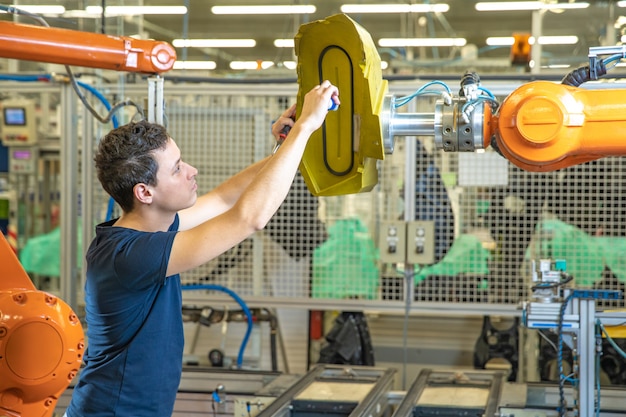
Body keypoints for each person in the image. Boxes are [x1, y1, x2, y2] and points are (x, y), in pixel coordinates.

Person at [65, 81, 339, 417]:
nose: (192, 171)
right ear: (145, 193)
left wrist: (286, 143)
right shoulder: (130, 256)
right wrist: (307, 128)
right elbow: (249, 218)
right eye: (178, 168)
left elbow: (226, 198)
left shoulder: (154, 227)